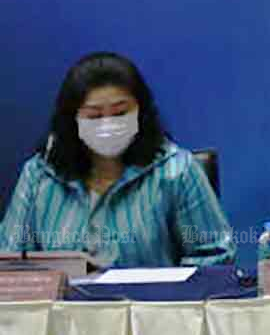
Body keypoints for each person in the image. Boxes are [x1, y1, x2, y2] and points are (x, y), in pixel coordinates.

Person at [0, 52, 234, 267]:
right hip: (64, 310)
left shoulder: (177, 170)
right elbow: (10, 260)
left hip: (152, 309)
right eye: (94, 115)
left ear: (141, 112)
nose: (108, 124)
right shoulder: (39, 175)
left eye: (120, 113)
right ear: (72, 120)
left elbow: (215, 256)